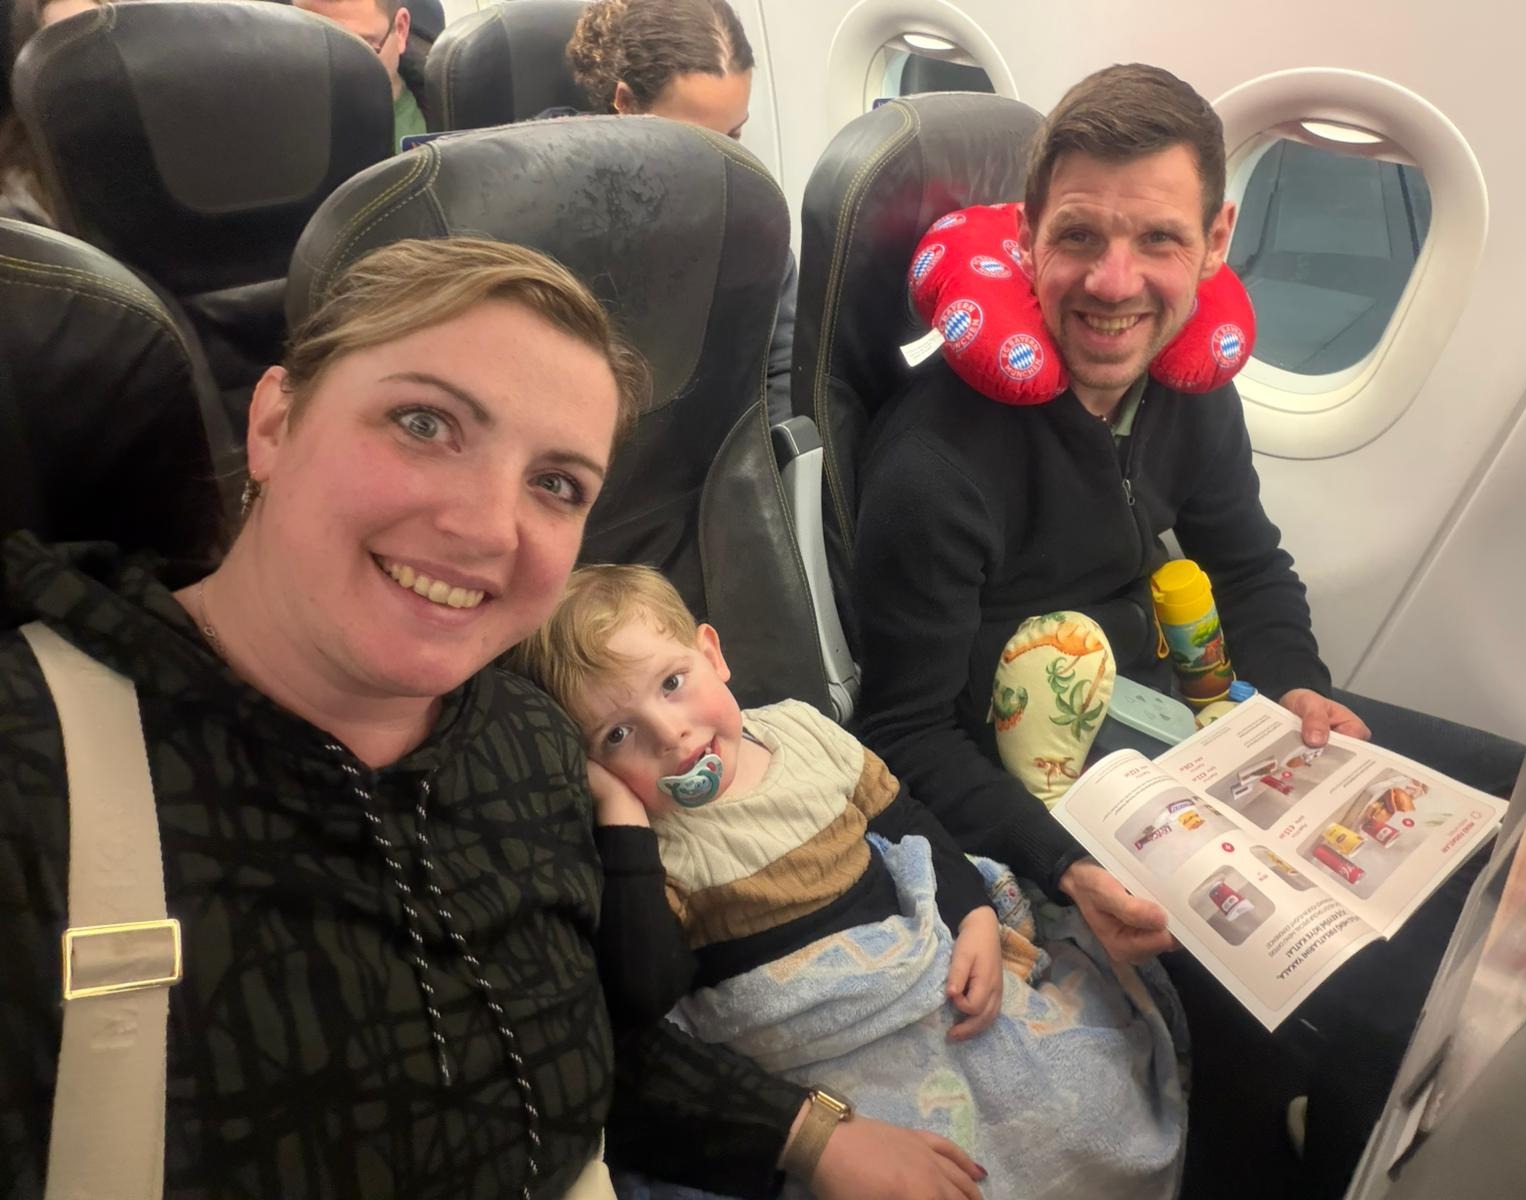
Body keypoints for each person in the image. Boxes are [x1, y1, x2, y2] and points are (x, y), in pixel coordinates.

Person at [0, 236, 986, 1200]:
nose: (484, 528)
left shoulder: (528, 741)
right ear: (274, 421)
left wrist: (807, 1135)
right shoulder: (29, 756)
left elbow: (585, 1048)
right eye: (424, 423)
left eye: (555, 484)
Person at [850, 62, 1526, 1198]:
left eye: (1157, 239)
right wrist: (1061, 868)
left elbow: (1246, 563)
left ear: (1216, 240)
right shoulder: (934, 467)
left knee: (1521, 810)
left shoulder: (1191, 385)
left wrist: (1298, 686)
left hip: (1191, 711)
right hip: (1048, 771)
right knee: (1391, 1003)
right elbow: (901, 730)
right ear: (1027, 238)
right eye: (1078, 237)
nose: (1114, 283)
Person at [515, 562, 1186, 1199]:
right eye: (617, 735)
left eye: (671, 682)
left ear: (712, 654)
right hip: (821, 1061)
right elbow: (645, 992)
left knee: (1077, 1104)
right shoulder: (646, 849)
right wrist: (621, 817)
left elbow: (908, 823)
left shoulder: (805, 732)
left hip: (926, 979)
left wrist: (974, 915)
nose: (670, 733)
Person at [563, 0, 795, 424]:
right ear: (627, 104)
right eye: (694, 139)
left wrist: (774, 449)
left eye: (734, 134)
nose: (720, 162)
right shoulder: (550, 197)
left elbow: (779, 364)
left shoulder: (747, 210)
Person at [0, 0, 105, 226]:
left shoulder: (159, 137)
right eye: (68, 55)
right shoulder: (18, 199)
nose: (91, 67)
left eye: (99, 44)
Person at [293, 0, 427, 153]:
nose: (338, 66)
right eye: (313, 44)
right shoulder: (276, 115)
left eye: (360, 45)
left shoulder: (443, 114)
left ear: (401, 30)